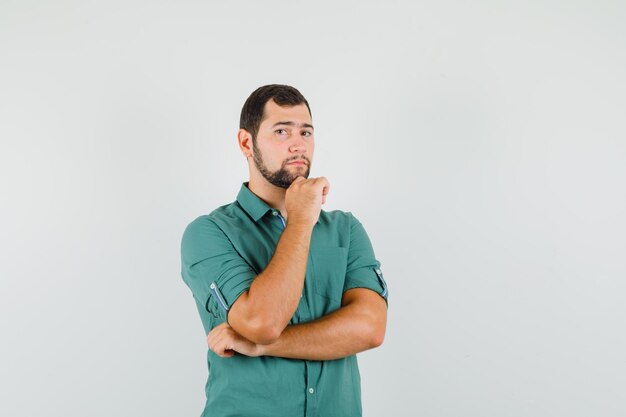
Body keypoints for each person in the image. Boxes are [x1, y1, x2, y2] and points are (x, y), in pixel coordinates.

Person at [180, 84, 388, 417]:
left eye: (306, 132)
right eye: (281, 131)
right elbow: (262, 321)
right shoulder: (209, 233)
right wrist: (302, 220)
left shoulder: (345, 230)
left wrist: (262, 345)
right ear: (246, 142)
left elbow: (370, 328)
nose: (298, 144)